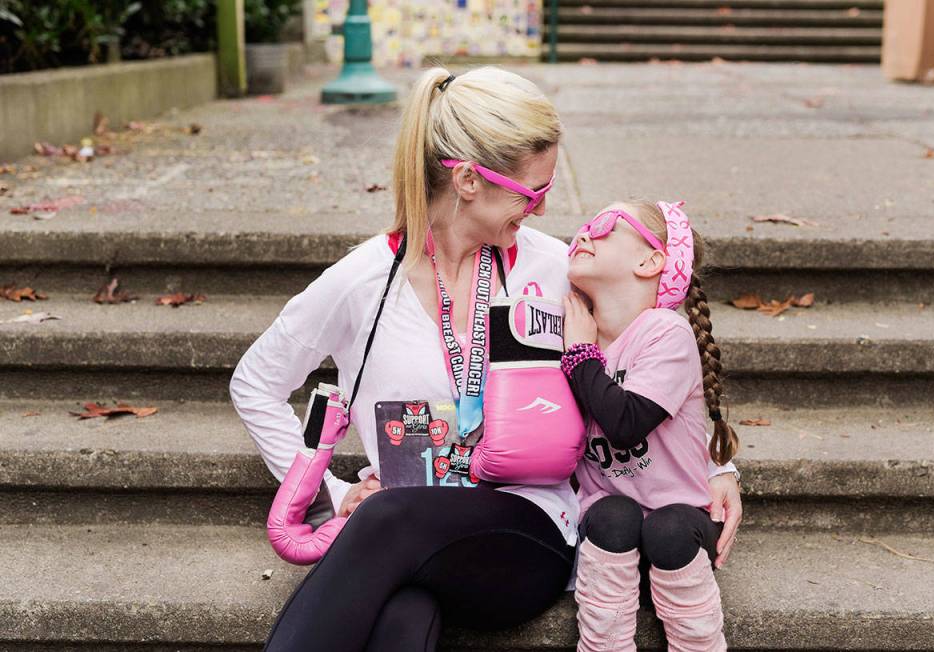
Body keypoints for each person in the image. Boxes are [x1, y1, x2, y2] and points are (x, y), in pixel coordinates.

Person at [229, 66, 742, 651]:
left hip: (526, 530)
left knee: (386, 523)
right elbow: (255, 383)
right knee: (401, 612)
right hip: (406, 522)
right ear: (470, 180)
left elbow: (643, 367)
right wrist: (341, 491)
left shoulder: (556, 270)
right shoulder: (362, 282)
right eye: (534, 192)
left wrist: (717, 469)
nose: (545, 210)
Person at [562, 200, 738, 651]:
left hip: (679, 537)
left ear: (650, 260)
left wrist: (581, 357)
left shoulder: (665, 333)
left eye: (604, 226)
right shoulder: (570, 327)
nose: (583, 233)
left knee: (669, 526)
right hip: (610, 544)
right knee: (612, 513)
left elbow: (626, 423)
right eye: (584, 225)